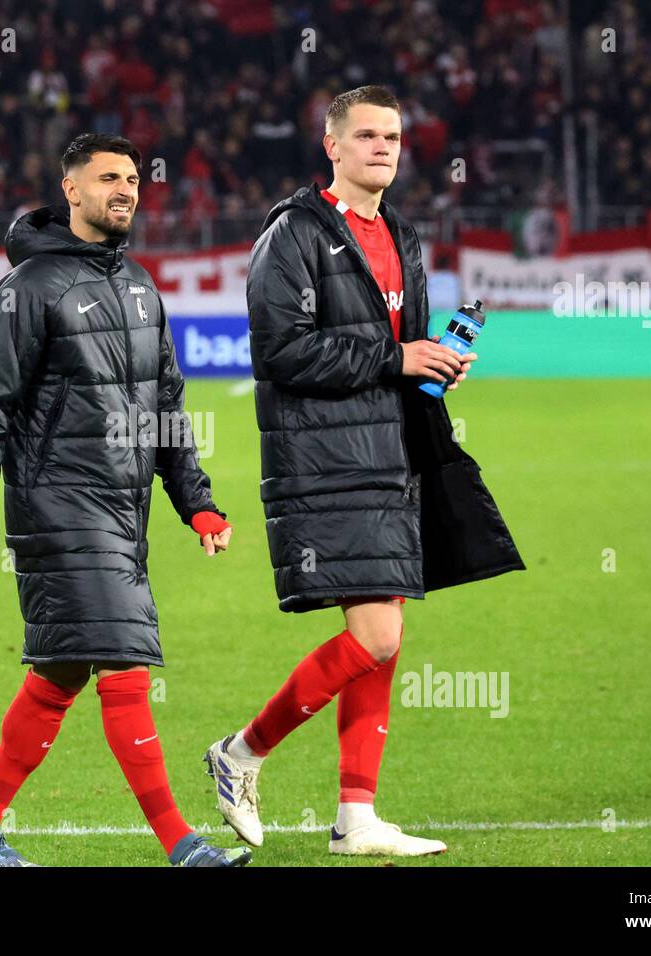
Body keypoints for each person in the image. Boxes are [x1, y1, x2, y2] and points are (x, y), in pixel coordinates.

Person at [206, 85, 525, 857]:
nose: (384, 147)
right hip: (323, 455)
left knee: (386, 631)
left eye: (393, 137)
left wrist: (435, 364)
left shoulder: (403, 236)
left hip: (391, 450)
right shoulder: (294, 235)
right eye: (368, 136)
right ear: (333, 146)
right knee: (378, 633)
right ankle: (240, 753)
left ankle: (357, 816)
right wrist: (395, 356)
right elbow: (279, 351)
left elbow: (401, 352)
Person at [0, 133, 248, 867]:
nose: (126, 190)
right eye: (109, 178)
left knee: (60, 674)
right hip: (59, 506)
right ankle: (183, 847)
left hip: (124, 513)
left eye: (134, 178)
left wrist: (196, 501)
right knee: (124, 663)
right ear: (70, 190)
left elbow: (166, 401)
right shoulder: (28, 289)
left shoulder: (140, 285)